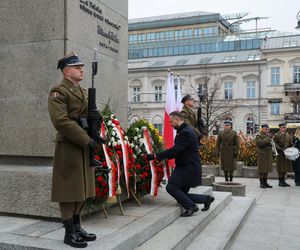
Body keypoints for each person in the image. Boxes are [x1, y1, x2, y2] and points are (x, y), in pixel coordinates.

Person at [48, 52, 103, 248]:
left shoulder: (80, 90)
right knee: (69, 191)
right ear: (66, 71)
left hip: (83, 146)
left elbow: (88, 113)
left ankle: (77, 227)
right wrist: (86, 139)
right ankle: (69, 232)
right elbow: (61, 121)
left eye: (82, 66)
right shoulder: (59, 91)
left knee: (82, 189)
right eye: (77, 67)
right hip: (70, 147)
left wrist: (97, 122)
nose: (82, 69)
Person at [147, 111, 214, 217]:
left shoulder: (186, 132)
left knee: (171, 187)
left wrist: (155, 156)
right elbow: (178, 151)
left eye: (171, 121)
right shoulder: (184, 130)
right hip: (187, 165)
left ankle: (191, 206)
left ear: (177, 119)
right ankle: (205, 199)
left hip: (188, 167)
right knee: (181, 196)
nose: (170, 124)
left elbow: (175, 151)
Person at [255, 124, 273, 188]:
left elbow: (270, 144)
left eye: (268, 129)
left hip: (268, 154)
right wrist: (269, 138)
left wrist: (271, 144)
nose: (267, 130)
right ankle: (261, 183)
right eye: (265, 129)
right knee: (262, 170)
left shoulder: (268, 136)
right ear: (262, 129)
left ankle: (265, 182)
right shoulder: (258, 135)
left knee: (266, 169)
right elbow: (260, 143)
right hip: (262, 154)